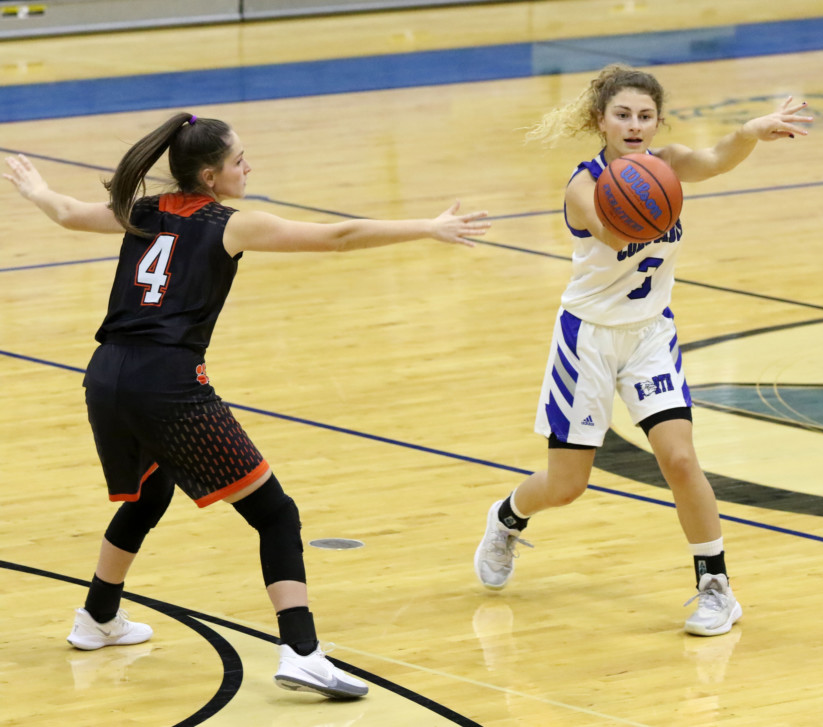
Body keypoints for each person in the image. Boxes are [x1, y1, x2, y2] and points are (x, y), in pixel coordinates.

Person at [4, 112, 489, 699]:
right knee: (275, 514)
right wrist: (428, 227)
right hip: (167, 383)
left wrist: (36, 191)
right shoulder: (229, 224)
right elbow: (338, 238)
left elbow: (66, 214)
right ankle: (305, 654)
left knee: (149, 492)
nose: (248, 167)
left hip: (105, 376)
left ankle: (98, 618)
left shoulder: (145, 212)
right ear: (210, 176)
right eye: (239, 161)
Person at [473, 64, 811, 636]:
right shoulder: (583, 187)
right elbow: (621, 232)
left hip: (650, 333)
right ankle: (507, 519)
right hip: (588, 339)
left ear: (657, 122)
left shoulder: (671, 164)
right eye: (623, 115)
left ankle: (715, 586)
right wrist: (646, 195)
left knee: (679, 459)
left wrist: (751, 131)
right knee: (567, 485)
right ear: (599, 121)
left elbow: (717, 158)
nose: (635, 126)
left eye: (645, 116)